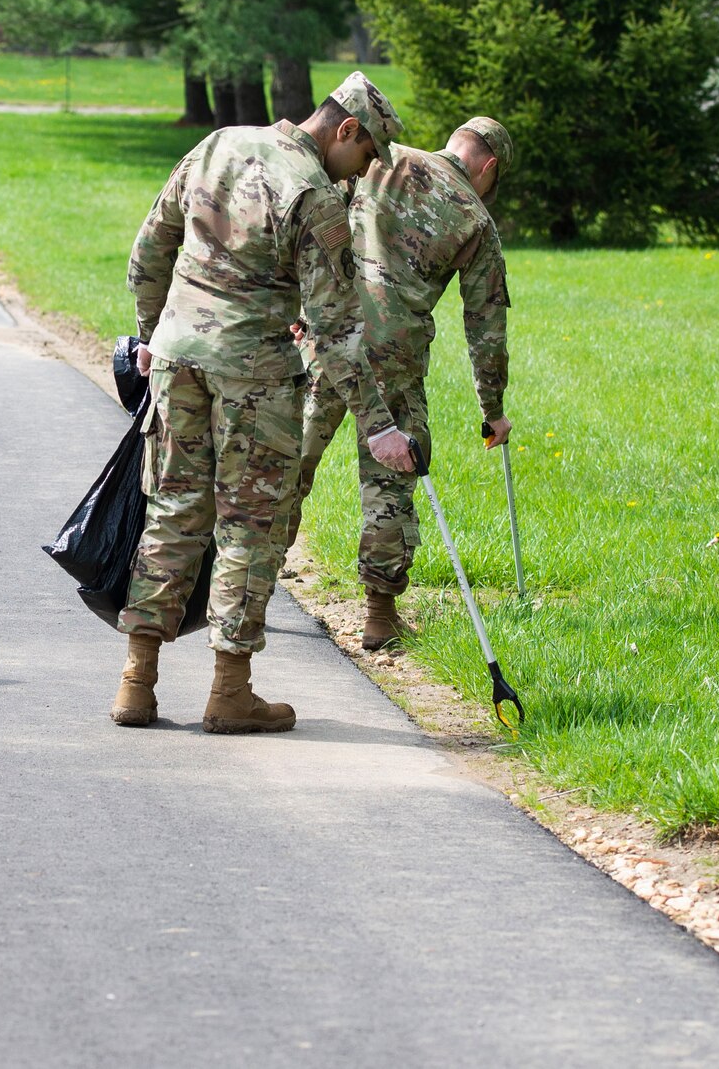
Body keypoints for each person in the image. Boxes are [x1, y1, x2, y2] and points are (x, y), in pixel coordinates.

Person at [116, 72, 418, 733]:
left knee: (171, 512)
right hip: (255, 378)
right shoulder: (314, 194)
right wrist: (379, 427)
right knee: (248, 530)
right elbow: (337, 327)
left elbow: (150, 248)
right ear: (346, 130)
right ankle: (230, 693)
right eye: (367, 156)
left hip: (175, 360)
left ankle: (137, 683)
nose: (365, 173)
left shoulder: (219, 143)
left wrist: (150, 336)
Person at [283, 117, 514, 651]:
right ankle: (380, 617)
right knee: (389, 481)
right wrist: (492, 408)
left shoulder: (379, 159)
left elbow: (317, 213)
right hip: (396, 357)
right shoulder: (477, 221)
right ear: (490, 168)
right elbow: (486, 325)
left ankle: (248, 587)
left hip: (328, 335)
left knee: (291, 457)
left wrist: (299, 304)